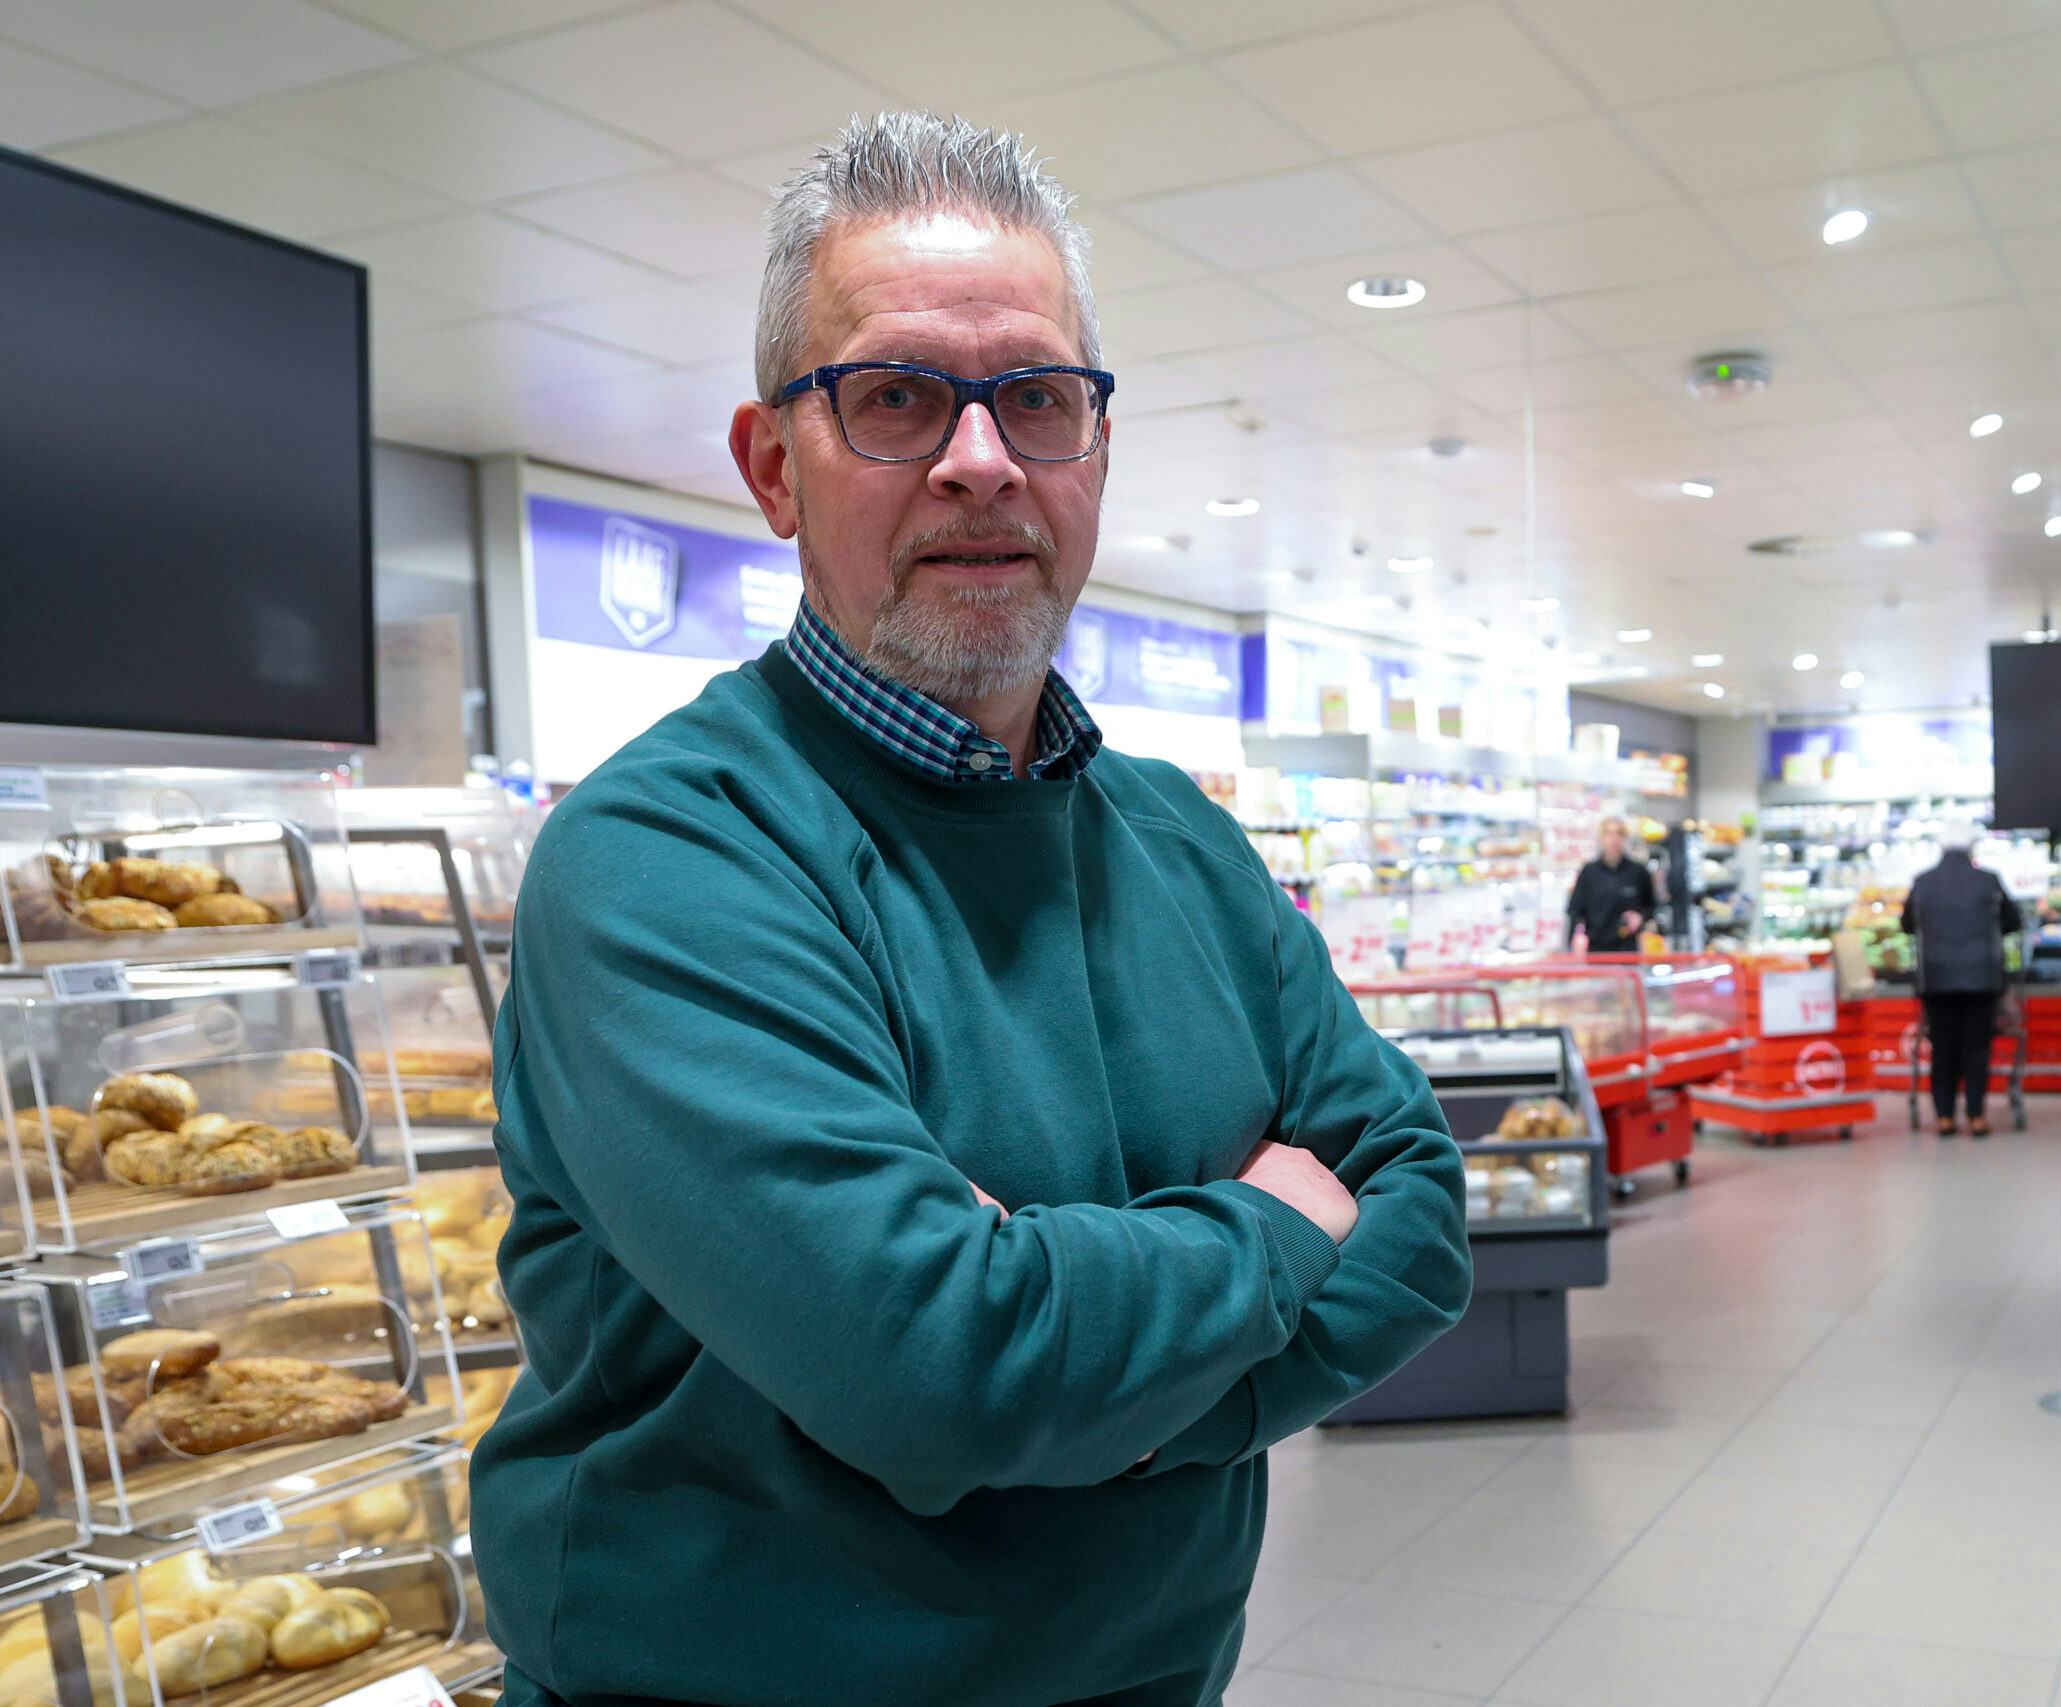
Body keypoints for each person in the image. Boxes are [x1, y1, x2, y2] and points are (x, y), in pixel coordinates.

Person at [470, 113, 1473, 1707]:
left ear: (1093, 446)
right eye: (894, 396)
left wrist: (1091, 1380)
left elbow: (1418, 1210)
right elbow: (938, 1363)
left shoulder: (1176, 842)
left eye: (1040, 398)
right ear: (772, 466)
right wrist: (1278, 1223)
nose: (981, 458)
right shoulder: (668, 853)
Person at [1901, 824, 2023, 1138]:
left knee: (1942, 1046)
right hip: (1982, 979)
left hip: (1936, 979)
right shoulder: (1988, 881)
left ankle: (1944, 1116)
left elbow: (1906, 925)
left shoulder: (1923, 882)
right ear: (1971, 850)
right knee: (1977, 1047)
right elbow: (2013, 921)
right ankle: (1976, 1115)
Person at [1564, 815, 1659, 953]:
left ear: (1625, 837)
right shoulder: (1589, 872)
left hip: (1629, 951)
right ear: (1601, 837)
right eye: (1608, 833)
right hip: (1596, 952)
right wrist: (1576, 938)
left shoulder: (1638, 871)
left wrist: (1640, 917)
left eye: (1619, 833)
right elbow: (1575, 909)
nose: (1614, 839)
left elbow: (1652, 906)